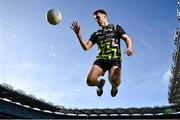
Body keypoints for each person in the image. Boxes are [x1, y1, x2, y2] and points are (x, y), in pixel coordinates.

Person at [70, 9, 133, 97]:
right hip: (101, 60)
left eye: (98, 17)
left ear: (104, 16)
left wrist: (129, 47)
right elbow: (86, 47)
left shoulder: (115, 27)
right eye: (95, 19)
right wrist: (78, 34)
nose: (96, 20)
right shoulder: (96, 34)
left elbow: (127, 38)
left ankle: (114, 87)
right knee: (89, 81)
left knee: (116, 81)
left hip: (114, 59)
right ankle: (99, 85)